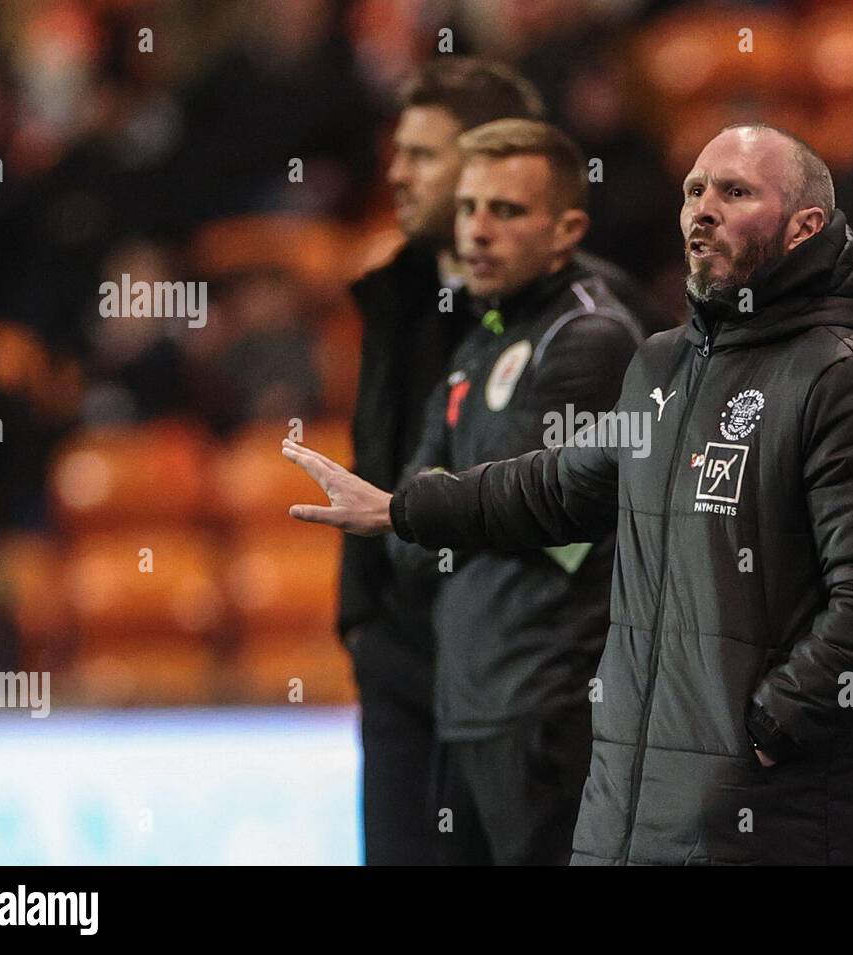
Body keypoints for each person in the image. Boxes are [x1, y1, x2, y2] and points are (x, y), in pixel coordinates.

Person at [290, 124, 853, 865]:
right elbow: (556, 483)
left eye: (735, 192)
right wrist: (401, 507)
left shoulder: (852, 380)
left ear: (805, 227)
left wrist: (767, 729)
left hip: (770, 819)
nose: (703, 208)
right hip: (626, 816)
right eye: (695, 189)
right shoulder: (663, 367)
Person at [387, 118, 643, 864]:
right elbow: (417, 525)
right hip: (472, 704)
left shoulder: (590, 340)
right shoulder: (480, 341)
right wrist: (443, 512)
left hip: (551, 708)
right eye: (468, 208)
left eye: (506, 210)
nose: (478, 231)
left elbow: (541, 515)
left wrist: (445, 511)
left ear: (566, 230)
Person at [338, 58, 544, 865]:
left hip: (514, 680)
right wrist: (360, 620)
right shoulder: (391, 295)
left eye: (422, 154)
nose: (396, 173)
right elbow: (371, 457)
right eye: (398, 152)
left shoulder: (574, 315)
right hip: (399, 668)